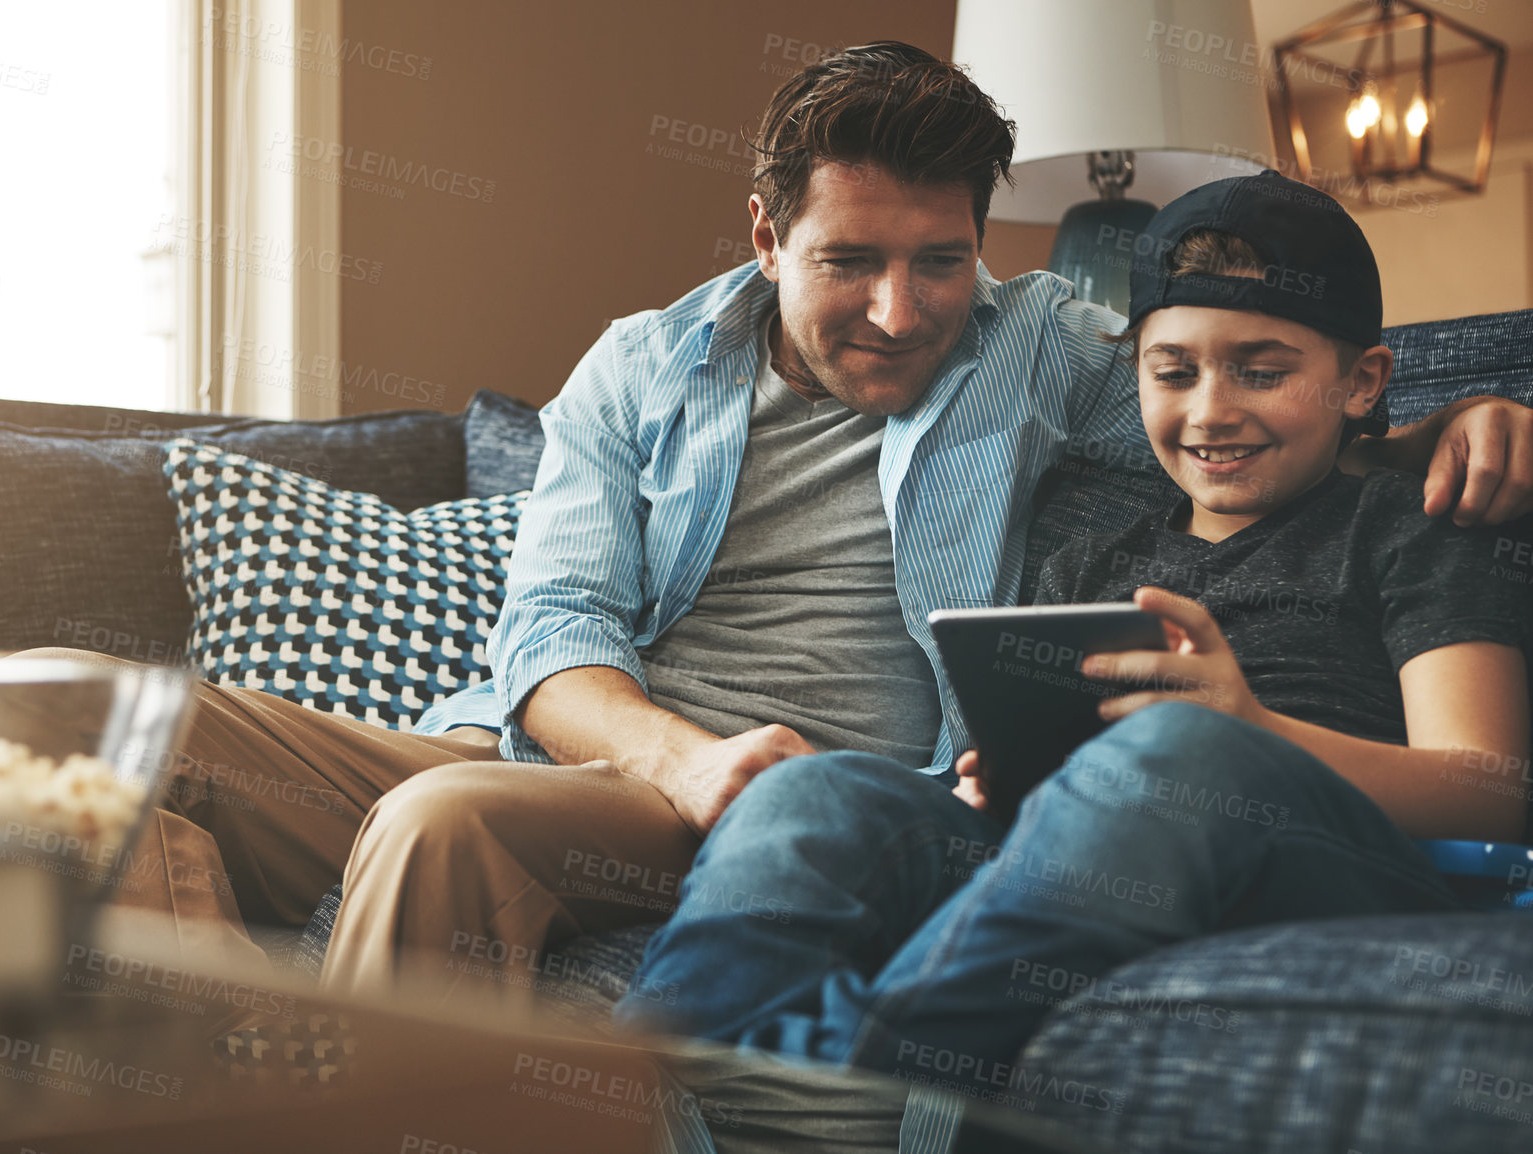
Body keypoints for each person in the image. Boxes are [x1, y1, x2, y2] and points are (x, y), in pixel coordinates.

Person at [32, 43, 1533, 1010]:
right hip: (585, 746)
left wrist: (1464, 420)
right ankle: (226, 1081)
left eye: (941, 262)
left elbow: (1251, 409)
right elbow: (552, 640)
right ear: (767, 238)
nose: (901, 311)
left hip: (802, 787)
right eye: (853, 262)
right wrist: (679, 752)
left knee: (441, 823)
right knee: (79, 719)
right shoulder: (638, 364)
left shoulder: (1045, 347)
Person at [610, 170, 1533, 1097]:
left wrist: (1253, 731)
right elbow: (1036, 786)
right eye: (1173, 373)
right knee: (818, 792)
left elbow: (1493, 789)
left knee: (1174, 748)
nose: (1211, 410)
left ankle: (873, 1052)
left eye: (1264, 371)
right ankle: (631, 1068)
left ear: (1361, 382)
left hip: (1338, 863)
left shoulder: (1406, 528)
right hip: (1104, 861)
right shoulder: (1086, 564)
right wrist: (1005, 783)